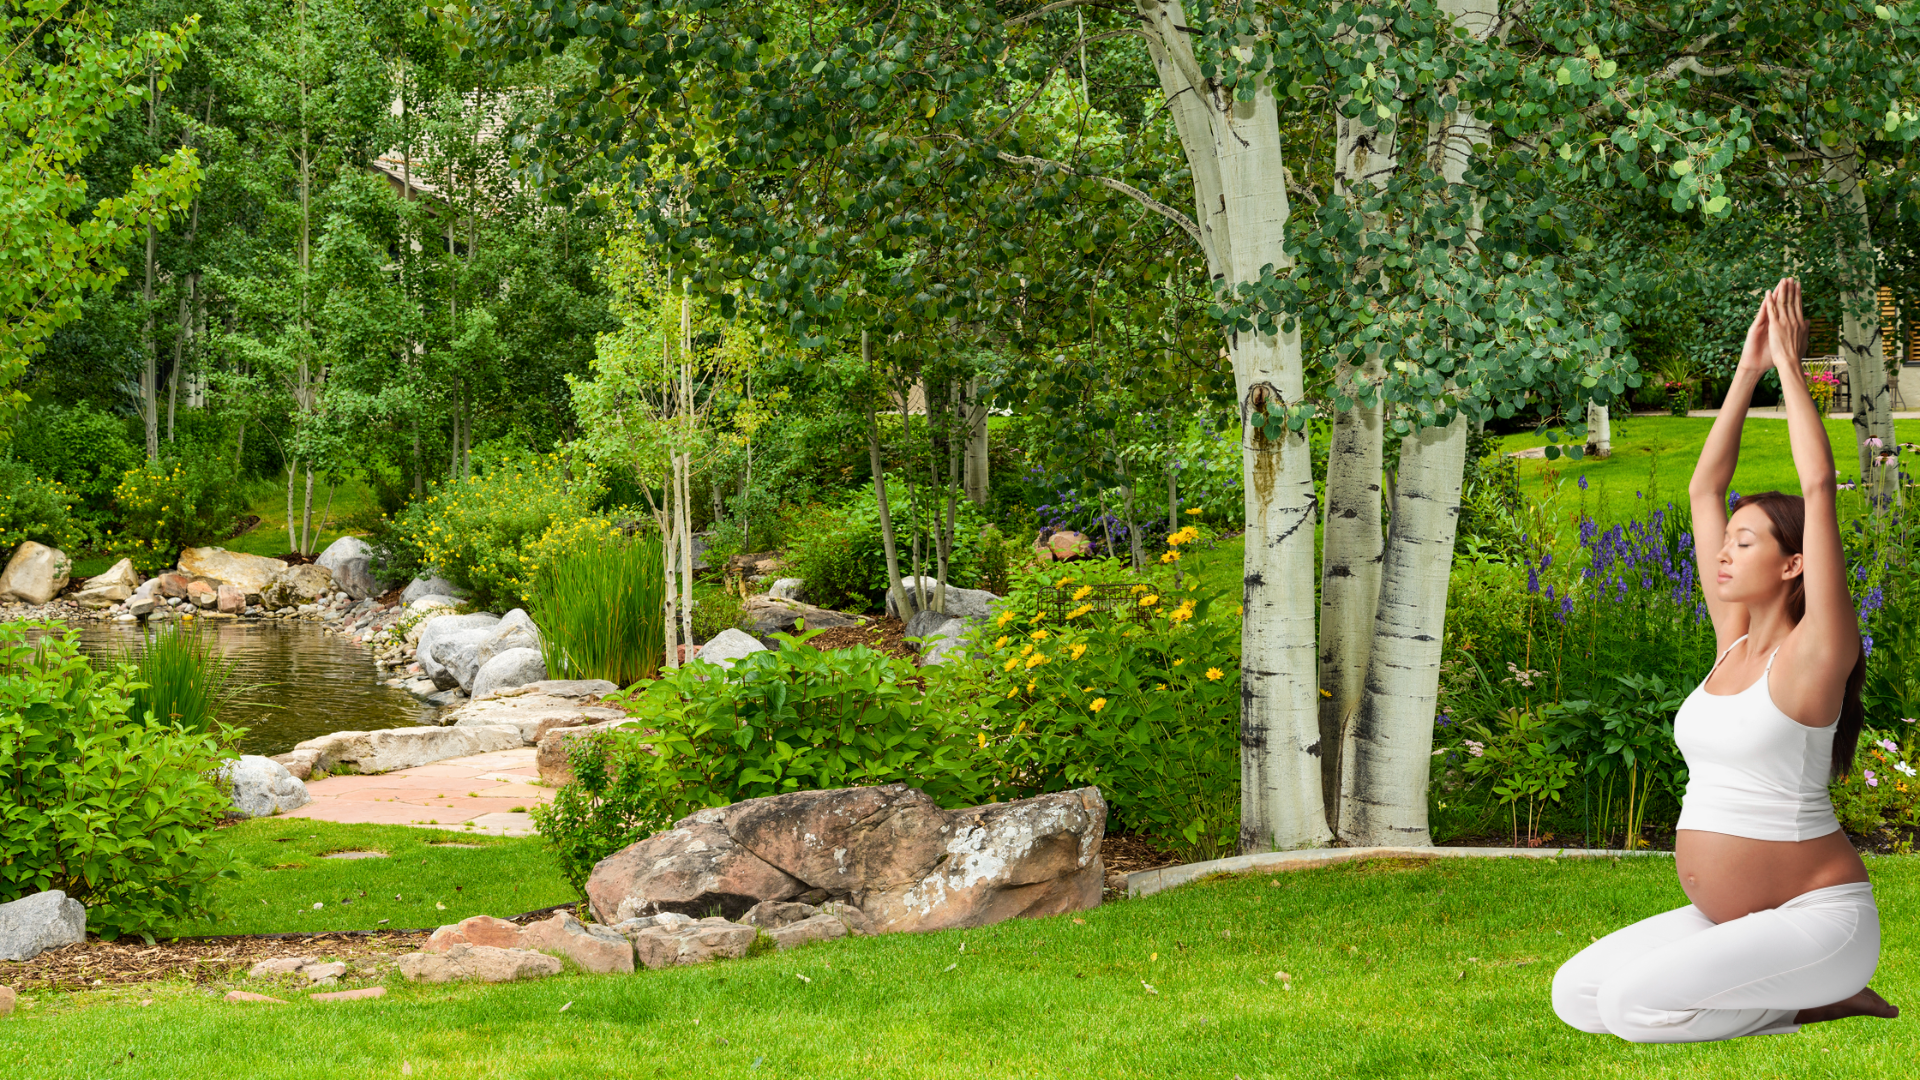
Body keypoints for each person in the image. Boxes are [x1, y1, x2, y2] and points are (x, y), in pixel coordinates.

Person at [1550, 278, 1898, 1043]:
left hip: (1820, 923)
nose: (1724, 553)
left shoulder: (1818, 653)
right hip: (1738, 918)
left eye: (1747, 544)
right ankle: (1798, 999)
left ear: (1794, 566)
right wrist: (1745, 372)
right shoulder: (1732, 640)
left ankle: (1820, 992)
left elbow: (1817, 487)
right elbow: (1704, 487)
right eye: (1727, 540)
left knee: (1632, 1010)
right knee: (1576, 994)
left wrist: (1792, 372)